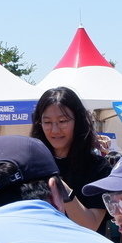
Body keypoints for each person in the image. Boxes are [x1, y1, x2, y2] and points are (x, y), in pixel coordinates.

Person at [30, 87, 111, 231]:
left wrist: (62, 189)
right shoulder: (31, 165)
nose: (55, 130)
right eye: (47, 122)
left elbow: (90, 225)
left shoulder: (98, 168)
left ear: (78, 122)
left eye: (62, 121)